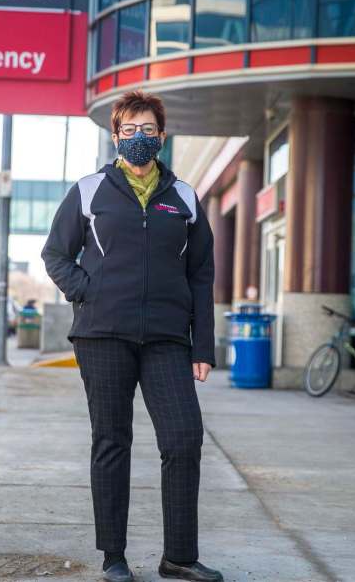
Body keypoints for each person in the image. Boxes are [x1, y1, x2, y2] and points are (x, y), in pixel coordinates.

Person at [42, 90, 222, 582]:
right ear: (115, 135)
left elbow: (201, 274)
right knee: (112, 440)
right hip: (103, 335)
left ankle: (179, 556)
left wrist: (201, 345)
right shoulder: (89, 189)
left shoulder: (183, 196)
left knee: (184, 438)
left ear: (161, 136)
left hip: (167, 337)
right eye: (129, 130)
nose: (139, 138)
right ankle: (114, 556)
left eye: (148, 130)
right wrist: (88, 292)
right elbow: (56, 255)